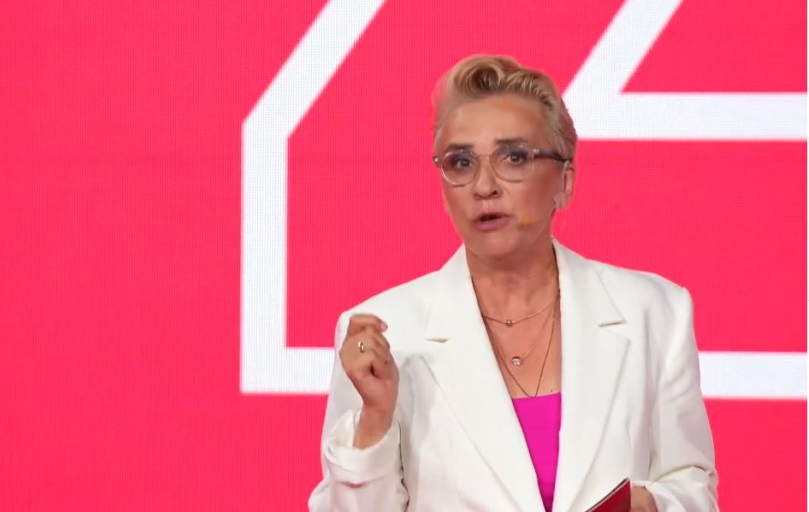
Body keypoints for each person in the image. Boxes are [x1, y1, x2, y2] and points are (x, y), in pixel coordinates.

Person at [307, 55, 718, 512]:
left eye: (514, 157)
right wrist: (374, 423)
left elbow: (691, 486)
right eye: (461, 162)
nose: (484, 185)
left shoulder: (655, 312)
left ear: (565, 182)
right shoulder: (389, 333)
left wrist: (649, 505)